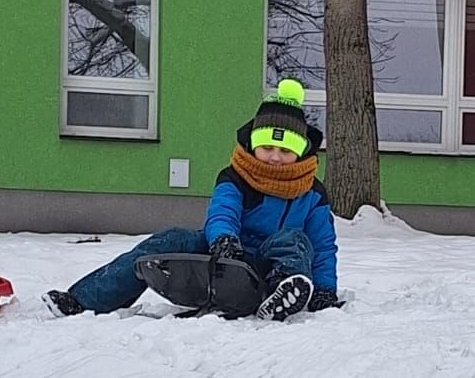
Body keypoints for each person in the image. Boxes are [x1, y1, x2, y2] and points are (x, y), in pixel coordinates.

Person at [44, 80, 340, 321]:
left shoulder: (312, 192)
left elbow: (323, 244)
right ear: (253, 145)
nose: (275, 157)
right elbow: (222, 213)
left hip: (269, 267)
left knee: (293, 239)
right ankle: (85, 300)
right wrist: (223, 240)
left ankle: (282, 294)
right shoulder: (236, 177)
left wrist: (325, 289)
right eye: (267, 148)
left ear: (300, 152)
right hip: (226, 258)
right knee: (171, 239)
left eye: (285, 151)